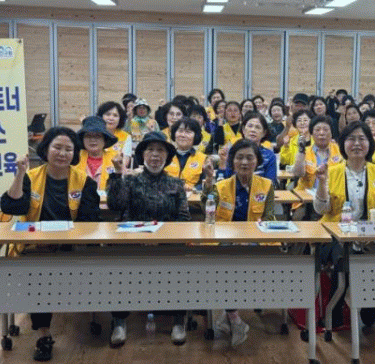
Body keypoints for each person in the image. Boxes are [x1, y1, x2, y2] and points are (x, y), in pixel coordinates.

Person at [0, 127, 100, 361]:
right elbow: (12, 207)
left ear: (74, 154)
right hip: (35, 249)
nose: (62, 153)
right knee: (39, 278)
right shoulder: (31, 176)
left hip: (70, 247)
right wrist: (19, 174)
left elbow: (90, 220)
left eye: (68, 149)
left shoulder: (83, 180)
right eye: (57, 147)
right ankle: (44, 335)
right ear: (46, 149)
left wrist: (64, 240)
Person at [106, 131, 190, 347]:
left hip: (167, 246)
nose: (155, 155)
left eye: (160, 150)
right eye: (150, 150)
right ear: (142, 155)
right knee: (118, 271)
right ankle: (119, 322)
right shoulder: (130, 180)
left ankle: (178, 320)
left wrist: (161, 238)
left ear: (167, 156)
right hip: (133, 244)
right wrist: (118, 173)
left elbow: (183, 218)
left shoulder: (176, 184)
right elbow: (115, 205)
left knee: (181, 268)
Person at [314, 121, 375, 326]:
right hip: (334, 235)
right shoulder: (332, 171)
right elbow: (321, 209)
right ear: (343, 144)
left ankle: (369, 304)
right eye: (351, 139)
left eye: (362, 139)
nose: (357, 144)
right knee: (344, 257)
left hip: (370, 236)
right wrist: (321, 183)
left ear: (370, 144)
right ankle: (334, 310)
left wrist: (374, 229)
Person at [200, 139, 276, 346]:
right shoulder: (221, 186)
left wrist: (257, 230)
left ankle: (229, 316)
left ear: (257, 161)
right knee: (226, 259)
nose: (244, 162)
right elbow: (207, 208)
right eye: (239, 157)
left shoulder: (266, 186)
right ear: (232, 161)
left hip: (254, 241)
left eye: (249, 158)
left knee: (240, 260)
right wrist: (208, 181)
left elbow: (270, 217)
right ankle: (234, 318)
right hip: (225, 242)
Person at [292, 115, 343, 218]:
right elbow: (298, 173)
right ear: (311, 133)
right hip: (306, 199)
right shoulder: (304, 152)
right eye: (317, 130)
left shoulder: (340, 151)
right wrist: (301, 151)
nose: (321, 133)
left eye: (325, 130)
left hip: (334, 196)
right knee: (298, 217)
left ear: (331, 133)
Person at [226, 111, 277, 185]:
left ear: (264, 133)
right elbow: (227, 178)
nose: (253, 130)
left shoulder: (269, 155)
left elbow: (270, 183)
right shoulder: (234, 151)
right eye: (250, 126)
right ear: (243, 130)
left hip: (260, 190)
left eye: (257, 127)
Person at [76, 116, 119, 190]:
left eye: (98, 136)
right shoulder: (74, 158)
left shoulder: (116, 159)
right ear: (82, 139)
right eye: (88, 136)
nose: (93, 140)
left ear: (105, 140)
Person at [164, 118, 207, 191]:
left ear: (195, 136)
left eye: (188, 132)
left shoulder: (203, 159)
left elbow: (205, 183)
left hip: (192, 196)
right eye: (180, 131)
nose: (183, 135)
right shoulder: (165, 156)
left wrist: (193, 189)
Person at [97, 101, 132, 168]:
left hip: (116, 172)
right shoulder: (95, 134)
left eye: (115, 115)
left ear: (120, 119)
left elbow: (125, 163)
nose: (111, 118)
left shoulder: (126, 137)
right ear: (101, 116)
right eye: (108, 114)